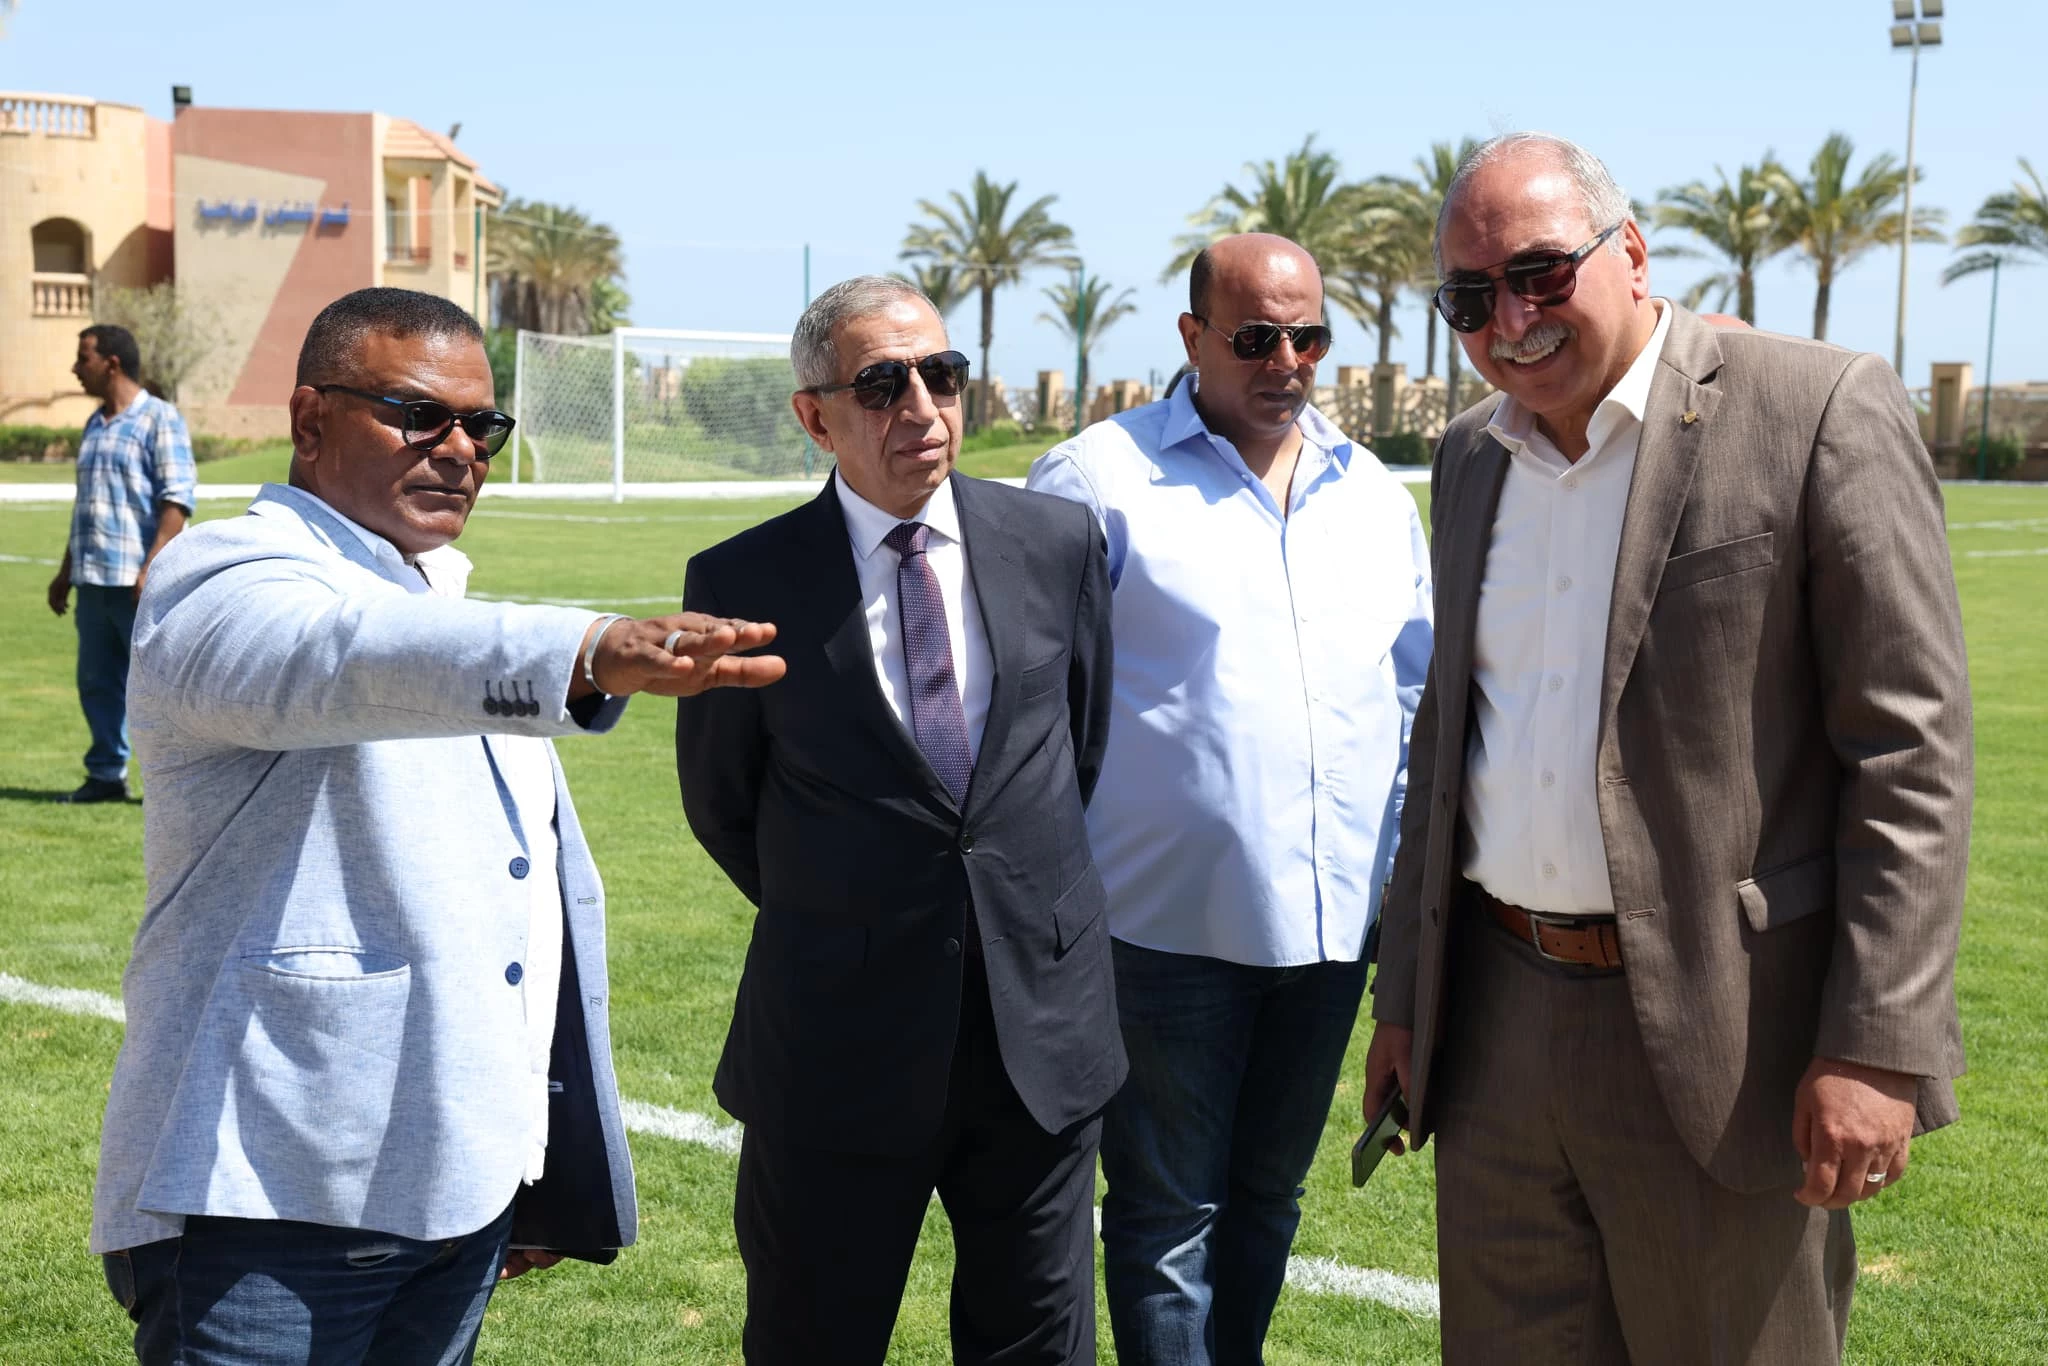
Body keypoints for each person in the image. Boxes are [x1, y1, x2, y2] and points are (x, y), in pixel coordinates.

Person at [1361, 133, 1973, 1364]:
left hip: (1721, 1034)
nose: (1509, 318)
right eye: (1470, 297)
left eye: (1540, 273)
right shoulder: (1471, 454)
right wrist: (1405, 1000)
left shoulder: (1813, 406)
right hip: (1494, 1025)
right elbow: (1449, 736)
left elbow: (1908, 751)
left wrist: (1874, 1043)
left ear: (1628, 254)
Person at [91, 287, 785, 1366]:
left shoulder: (440, 605)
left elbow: (516, 914)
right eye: (418, 416)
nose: (460, 449)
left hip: (452, 1196)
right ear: (311, 420)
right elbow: (345, 657)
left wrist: (521, 1159)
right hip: (263, 1196)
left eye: (481, 426)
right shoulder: (220, 579)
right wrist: (590, 647)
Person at [675, 274, 1120, 1365]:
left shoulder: (1056, 543)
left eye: (942, 374)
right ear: (814, 415)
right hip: (835, 1044)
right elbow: (725, 807)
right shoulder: (741, 580)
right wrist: (855, 914)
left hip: (1037, 1043)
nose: (921, 406)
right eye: (881, 383)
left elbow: (1077, 747)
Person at [1027, 233, 1434, 1364]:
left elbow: (1415, 704)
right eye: (1255, 337)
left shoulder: (1374, 497)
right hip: (1160, 931)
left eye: (1308, 337)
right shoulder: (1096, 478)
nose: (1286, 361)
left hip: (1330, 932)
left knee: (1267, 1200)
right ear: (1191, 337)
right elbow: (1034, 712)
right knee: (1166, 1218)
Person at [45, 323, 195, 803]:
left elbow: (177, 500)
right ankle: (107, 775)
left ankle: (176, 782)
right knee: (96, 682)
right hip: (93, 579)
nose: (75, 366)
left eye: (82, 356)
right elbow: (86, 504)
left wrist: (151, 567)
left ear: (111, 362)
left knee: (159, 687)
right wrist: (66, 570)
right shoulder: (95, 423)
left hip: (138, 581)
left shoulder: (159, 418)